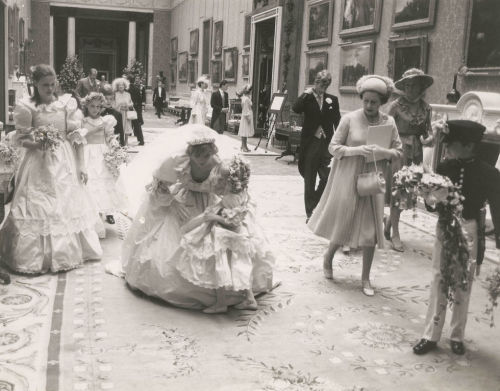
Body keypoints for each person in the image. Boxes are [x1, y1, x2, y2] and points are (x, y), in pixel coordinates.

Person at [119, 124, 274, 309]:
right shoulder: (177, 161)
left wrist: (228, 203)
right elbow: (159, 184)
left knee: (225, 245)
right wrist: (174, 204)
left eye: (206, 156)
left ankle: (233, 288)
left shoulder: (219, 162)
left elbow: (233, 185)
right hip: (184, 201)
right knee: (172, 245)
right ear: (190, 153)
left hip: (213, 202)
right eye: (197, 157)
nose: (202, 161)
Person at [0, 64, 102, 273]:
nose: (49, 88)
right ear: (35, 84)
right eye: (44, 85)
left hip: (64, 161)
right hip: (38, 162)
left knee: (64, 202)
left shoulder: (66, 105)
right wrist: (38, 144)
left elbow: (76, 138)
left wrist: (81, 165)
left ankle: (67, 251)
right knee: (37, 204)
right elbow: (20, 139)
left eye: (52, 84)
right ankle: (34, 257)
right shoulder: (27, 107)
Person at [308, 75, 402, 296]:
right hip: (348, 175)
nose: (369, 106)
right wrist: (357, 151)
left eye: (374, 102)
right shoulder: (349, 119)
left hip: (373, 177)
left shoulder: (389, 122)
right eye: (366, 101)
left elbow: (398, 151)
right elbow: (333, 147)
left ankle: (366, 278)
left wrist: (384, 152)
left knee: (371, 228)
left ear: (382, 103)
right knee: (344, 220)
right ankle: (329, 256)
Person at [413, 120, 500, 356]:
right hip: (445, 227)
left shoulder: (490, 173)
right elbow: (432, 204)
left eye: (452, 144)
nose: (447, 147)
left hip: (470, 229)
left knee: (463, 281)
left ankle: (456, 335)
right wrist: (429, 196)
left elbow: (498, 206)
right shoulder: (444, 167)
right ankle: (430, 334)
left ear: (469, 145)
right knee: (439, 277)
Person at [175, 155, 270, 313]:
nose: (218, 184)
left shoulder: (230, 199)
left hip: (226, 236)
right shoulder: (241, 193)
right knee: (239, 267)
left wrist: (214, 217)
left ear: (229, 183)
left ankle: (221, 303)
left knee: (220, 268)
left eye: (221, 181)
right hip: (238, 236)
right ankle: (249, 299)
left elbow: (234, 221)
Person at [385, 68, 434, 252]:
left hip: (416, 153)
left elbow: (428, 136)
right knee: (398, 192)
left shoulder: (426, 108)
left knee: (408, 194)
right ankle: (395, 234)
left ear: (422, 86)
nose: (411, 88)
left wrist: (433, 137)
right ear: (404, 86)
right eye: (408, 85)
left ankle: (389, 224)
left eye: (415, 85)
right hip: (399, 151)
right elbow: (385, 129)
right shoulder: (395, 106)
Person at [292, 70, 341, 222]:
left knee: (326, 178)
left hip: (326, 144)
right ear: (316, 82)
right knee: (310, 179)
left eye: (326, 84)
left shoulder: (332, 99)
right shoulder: (307, 98)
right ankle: (310, 213)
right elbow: (296, 108)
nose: (323, 87)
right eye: (321, 83)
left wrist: (340, 140)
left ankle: (315, 204)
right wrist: (305, 94)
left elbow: (338, 122)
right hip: (311, 143)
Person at [80, 92, 126, 234]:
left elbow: (110, 137)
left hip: (101, 154)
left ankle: (100, 218)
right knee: (89, 186)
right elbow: (81, 136)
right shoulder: (83, 121)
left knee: (101, 185)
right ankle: (90, 222)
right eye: (92, 106)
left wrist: (114, 146)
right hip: (87, 153)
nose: (95, 109)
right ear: (86, 106)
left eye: (98, 107)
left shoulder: (106, 121)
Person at [112, 78, 133, 145]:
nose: (121, 86)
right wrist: (119, 107)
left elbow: (131, 103)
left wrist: (128, 106)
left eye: (122, 85)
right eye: (119, 85)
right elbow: (113, 104)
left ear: (125, 86)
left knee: (127, 127)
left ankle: (126, 142)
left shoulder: (128, 94)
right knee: (118, 127)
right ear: (117, 86)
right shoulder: (115, 94)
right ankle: (119, 141)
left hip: (126, 113)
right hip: (119, 113)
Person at [128, 76, 145, 146]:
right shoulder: (137, 89)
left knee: (127, 125)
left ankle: (123, 141)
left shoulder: (127, 90)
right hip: (136, 109)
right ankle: (141, 140)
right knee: (137, 126)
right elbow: (140, 101)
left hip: (128, 109)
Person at [237, 84, 254, 152]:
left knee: (245, 132)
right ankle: (243, 146)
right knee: (244, 131)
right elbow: (245, 109)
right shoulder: (246, 99)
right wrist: (248, 117)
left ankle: (244, 145)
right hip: (246, 116)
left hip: (247, 115)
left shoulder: (245, 98)